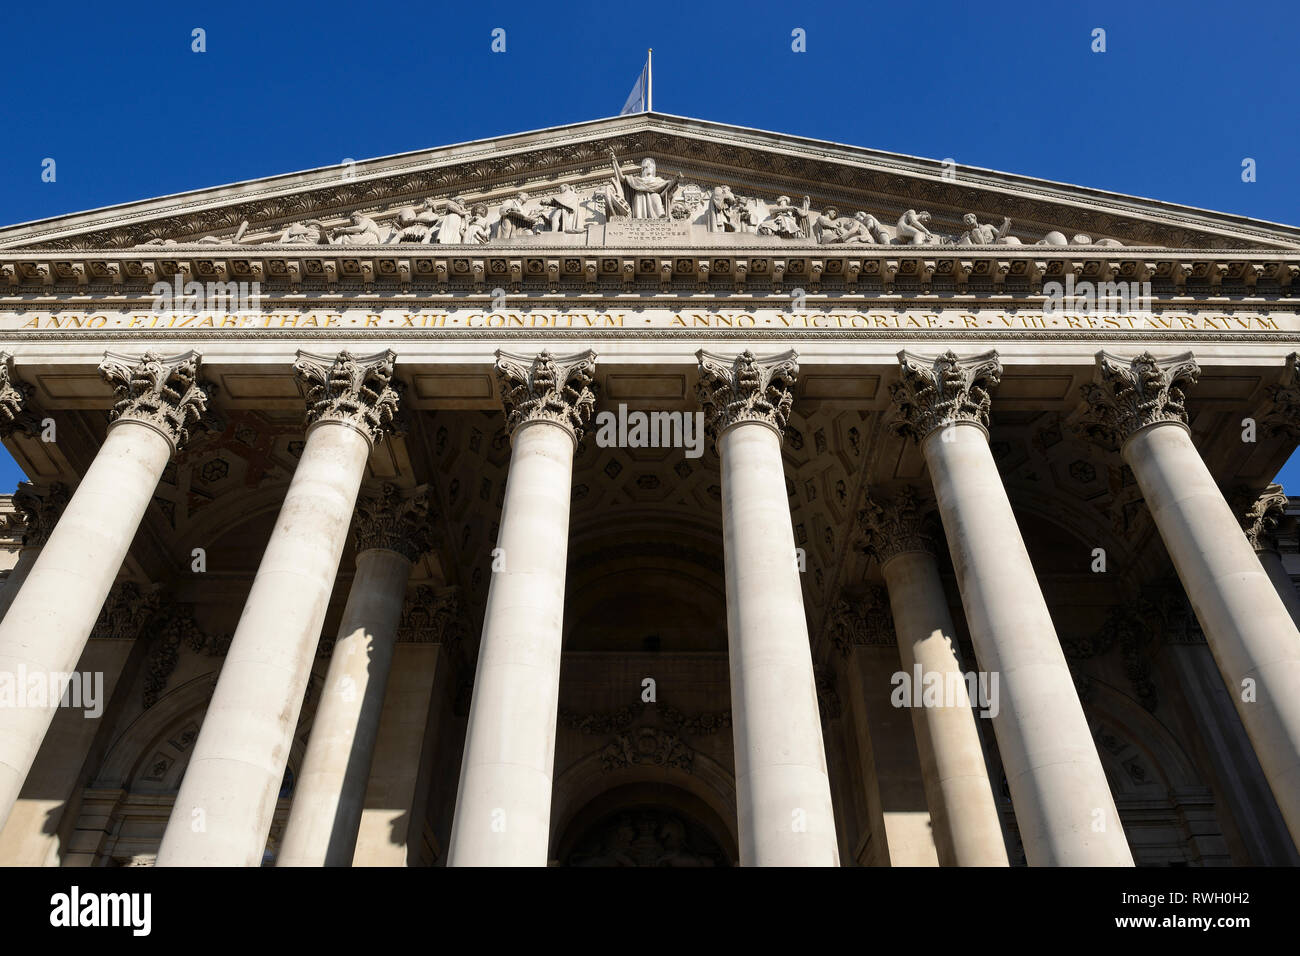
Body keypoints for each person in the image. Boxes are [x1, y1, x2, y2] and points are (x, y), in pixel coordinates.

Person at [608, 148, 680, 218]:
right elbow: (621, 178)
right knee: (639, 195)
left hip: (654, 198)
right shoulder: (638, 180)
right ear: (642, 169)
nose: (648, 168)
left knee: (655, 196)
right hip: (640, 199)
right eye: (646, 167)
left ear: (653, 169)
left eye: (650, 166)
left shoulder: (659, 180)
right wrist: (615, 162)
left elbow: (669, 186)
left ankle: (660, 217)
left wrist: (676, 181)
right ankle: (639, 219)